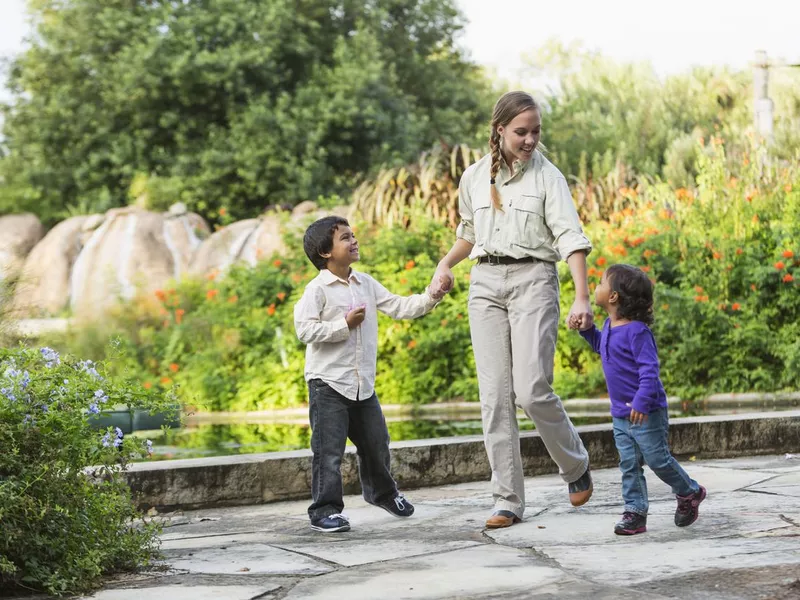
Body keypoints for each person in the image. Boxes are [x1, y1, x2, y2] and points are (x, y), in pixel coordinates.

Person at [431, 91, 594, 529]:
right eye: (521, 131)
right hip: (484, 283)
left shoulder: (548, 177)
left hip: (533, 280)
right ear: (500, 129)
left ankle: (575, 465)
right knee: (495, 398)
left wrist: (582, 296)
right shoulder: (473, 177)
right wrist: (445, 264)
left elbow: (570, 238)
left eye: (535, 131)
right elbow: (468, 233)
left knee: (532, 389)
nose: (529, 140)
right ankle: (507, 499)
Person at [294, 216, 445, 533]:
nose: (354, 241)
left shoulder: (366, 283)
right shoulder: (317, 290)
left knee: (377, 443)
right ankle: (325, 510)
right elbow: (304, 330)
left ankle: (383, 494)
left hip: (362, 385)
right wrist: (343, 325)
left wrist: (433, 294)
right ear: (325, 252)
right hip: (329, 384)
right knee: (329, 454)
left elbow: (401, 306)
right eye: (345, 238)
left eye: (353, 235)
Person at [569, 264, 707, 534]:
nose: (595, 287)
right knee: (629, 464)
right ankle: (635, 512)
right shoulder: (610, 325)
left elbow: (650, 371)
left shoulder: (638, 332)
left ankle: (689, 491)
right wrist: (586, 331)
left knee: (658, 460)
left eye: (600, 283)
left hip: (647, 412)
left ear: (613, 296)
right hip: (621, 414)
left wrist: (642, 402)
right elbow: (602, 346)